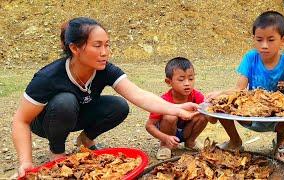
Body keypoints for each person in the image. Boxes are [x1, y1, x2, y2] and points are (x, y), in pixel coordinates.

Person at [12, 17, 200, 177]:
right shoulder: (48, 77)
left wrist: (176, 109)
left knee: (119, 106)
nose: (105, 52)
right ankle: (57, 151)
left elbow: (138, 94)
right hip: (47, 121)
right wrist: (26, 161)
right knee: (65, 101)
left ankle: (86, 139)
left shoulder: (105, 68)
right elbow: (21, 120)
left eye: (107, 45)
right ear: (75, 49)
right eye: (97, 45)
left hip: (77, 114)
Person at [206, 11, 284, 158]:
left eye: (271, 40)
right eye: (259, 40)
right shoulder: (250, 58)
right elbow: (239, 89)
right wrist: (220, 94)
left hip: (278, 118)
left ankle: (281, 142)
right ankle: (235, 141)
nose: (264, 45)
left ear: (283, 40)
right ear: (254, 39)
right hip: (250, 115)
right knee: (220, 106)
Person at [145, 57, 217, 160]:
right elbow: (149, 126)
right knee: (170, 116)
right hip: (168, 133)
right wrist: (165, 138)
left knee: (202, 114)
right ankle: (165, 146)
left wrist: (214, 107)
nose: (187, 83)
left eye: (191, 79)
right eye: (181, 79)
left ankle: (190, 142)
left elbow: (212, 120)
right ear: (168, 82)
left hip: (187, 131)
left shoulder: (197, 96)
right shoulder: (163, 101)